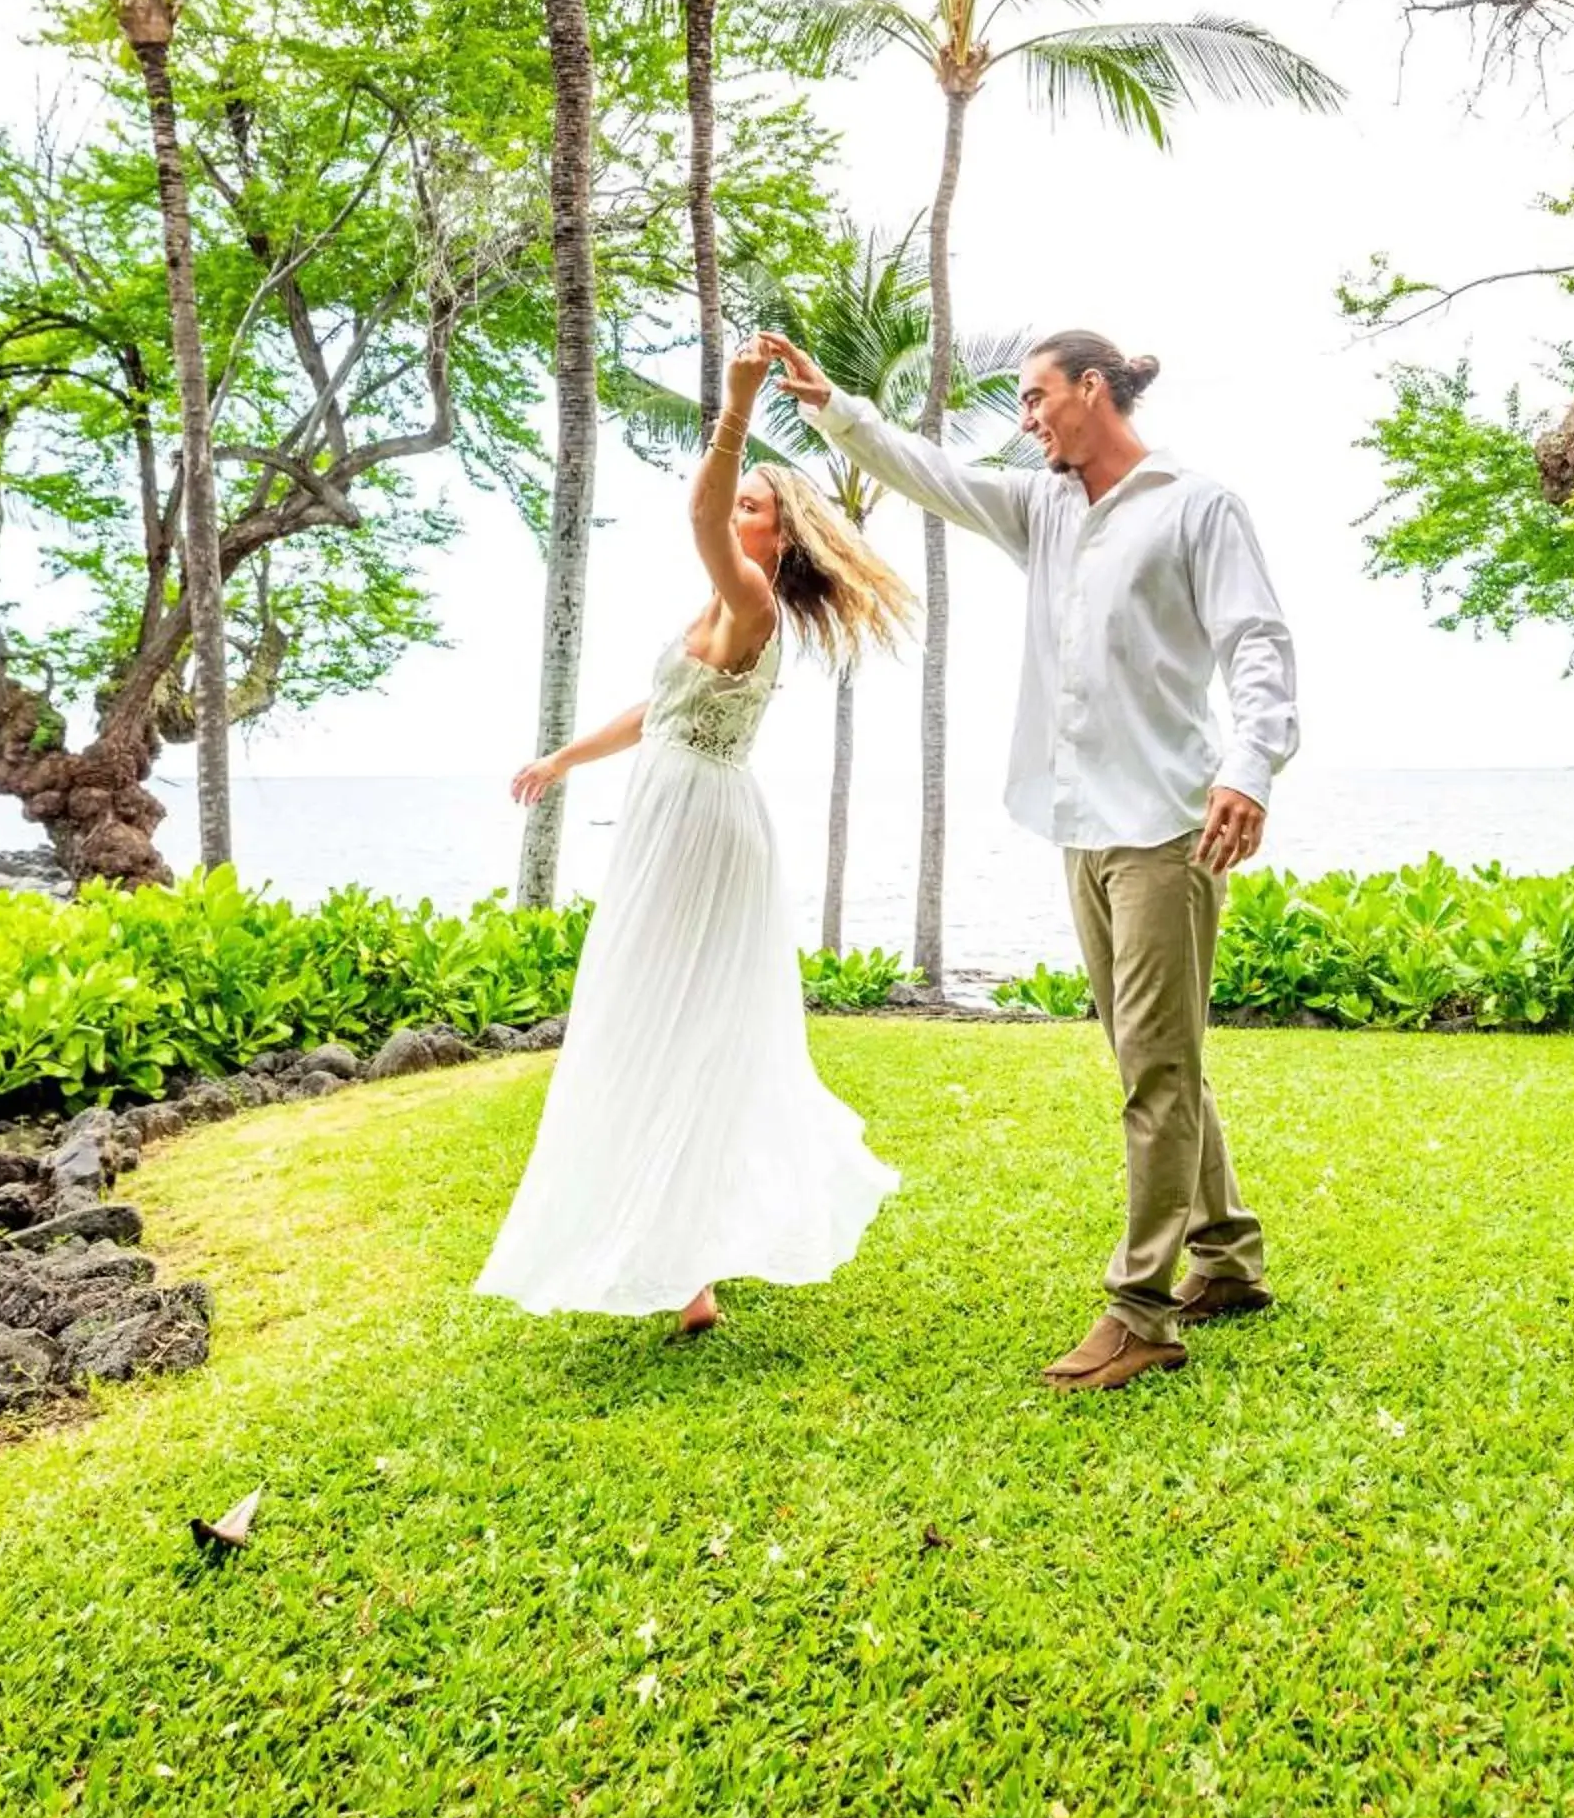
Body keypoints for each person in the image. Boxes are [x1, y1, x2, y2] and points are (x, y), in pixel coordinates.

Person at [765, 324, 1298, 1393]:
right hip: (1081, 826)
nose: (1025, 418)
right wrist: (834, 410)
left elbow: (1256, 643)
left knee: (1153, 1068)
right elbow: (935, 476)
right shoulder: (1043, 506)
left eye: (1034, 397)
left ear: (1089, 392)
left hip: (1167, 825)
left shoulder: (1197, 506)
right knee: (1147, 1055)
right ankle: (1226, 1258)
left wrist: (1248, 767)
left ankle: (1141, 1310)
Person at [475, 335, 913, 1339]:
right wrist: (560, 761)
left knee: (667, 1020)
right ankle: (690, 1278)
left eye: (756, 507)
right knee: (659, 1023)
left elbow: (698, 509)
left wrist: (735, 406)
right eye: (745, 502)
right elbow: (655, 713)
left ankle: (688, 1260)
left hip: (699, 827)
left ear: (774, 536)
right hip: (677, 812)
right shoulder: (717, 607)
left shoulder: (752, 596)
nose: (737, 514)